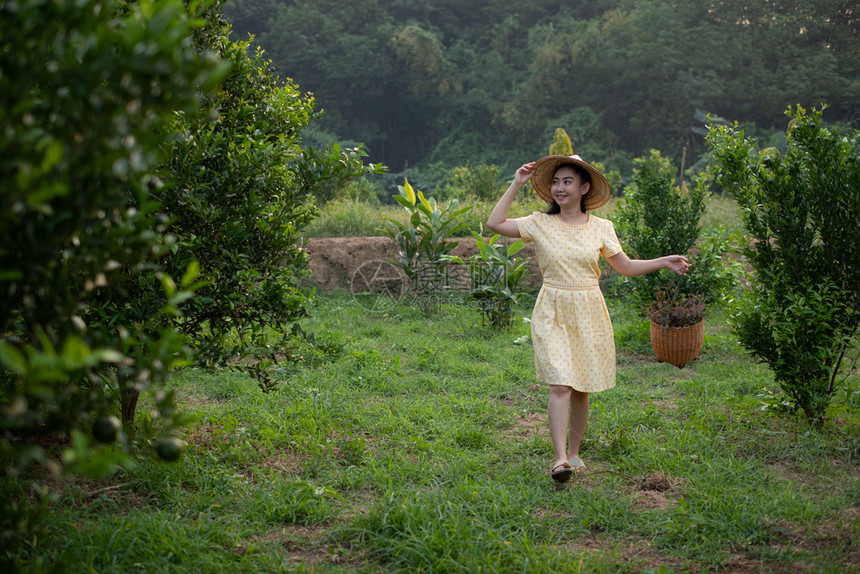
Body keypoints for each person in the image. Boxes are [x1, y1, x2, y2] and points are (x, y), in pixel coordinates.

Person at [486, 154, 690, 483]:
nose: (559, 187)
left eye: (567, 181)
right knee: (560, 384)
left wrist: (663, 261)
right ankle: (559, 459)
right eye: (555, 182)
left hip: (589, 309)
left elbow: (624, 267)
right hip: (552, 307)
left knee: (582, 386)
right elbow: (495, 224)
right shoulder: (538, 223)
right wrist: (516, 183)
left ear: (584, 188)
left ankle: (576, 452)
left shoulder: (601, 228)